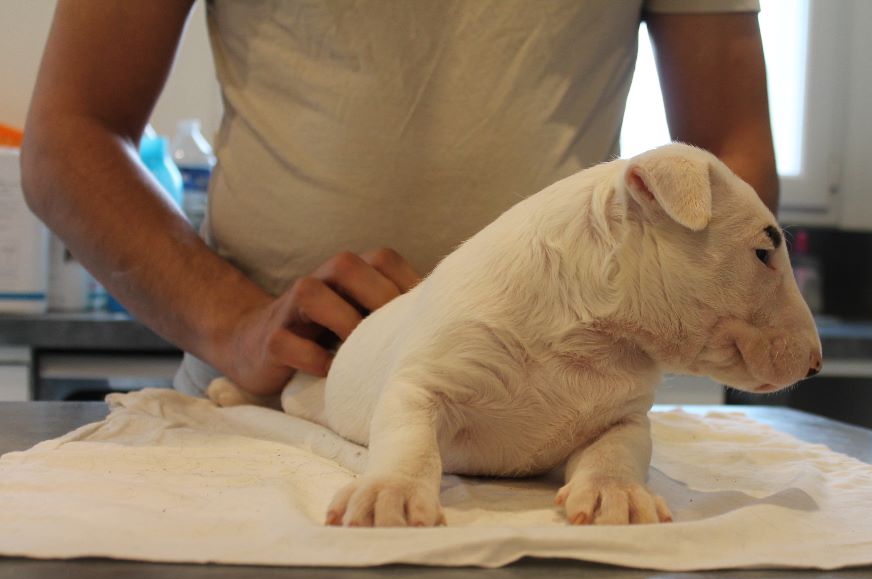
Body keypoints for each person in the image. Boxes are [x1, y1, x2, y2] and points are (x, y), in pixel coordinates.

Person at [21, 0, 777, 398]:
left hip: (559, 420)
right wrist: (234, 327)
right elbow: (68, 140)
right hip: (267, 412)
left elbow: (733, 167)